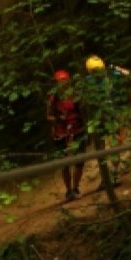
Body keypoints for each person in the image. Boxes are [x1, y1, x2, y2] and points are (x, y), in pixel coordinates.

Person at [48, 68, 85, 199]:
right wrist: (58, 119)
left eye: (64, 81)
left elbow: (82, 110)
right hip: (61, 132)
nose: (63, 84)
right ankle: (69, 190)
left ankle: (76, 187)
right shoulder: (54, 98)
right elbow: (49, 116)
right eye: (60, 81)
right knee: (64, 163)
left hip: (77, 129)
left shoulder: (75, 95)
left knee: (79, 160)